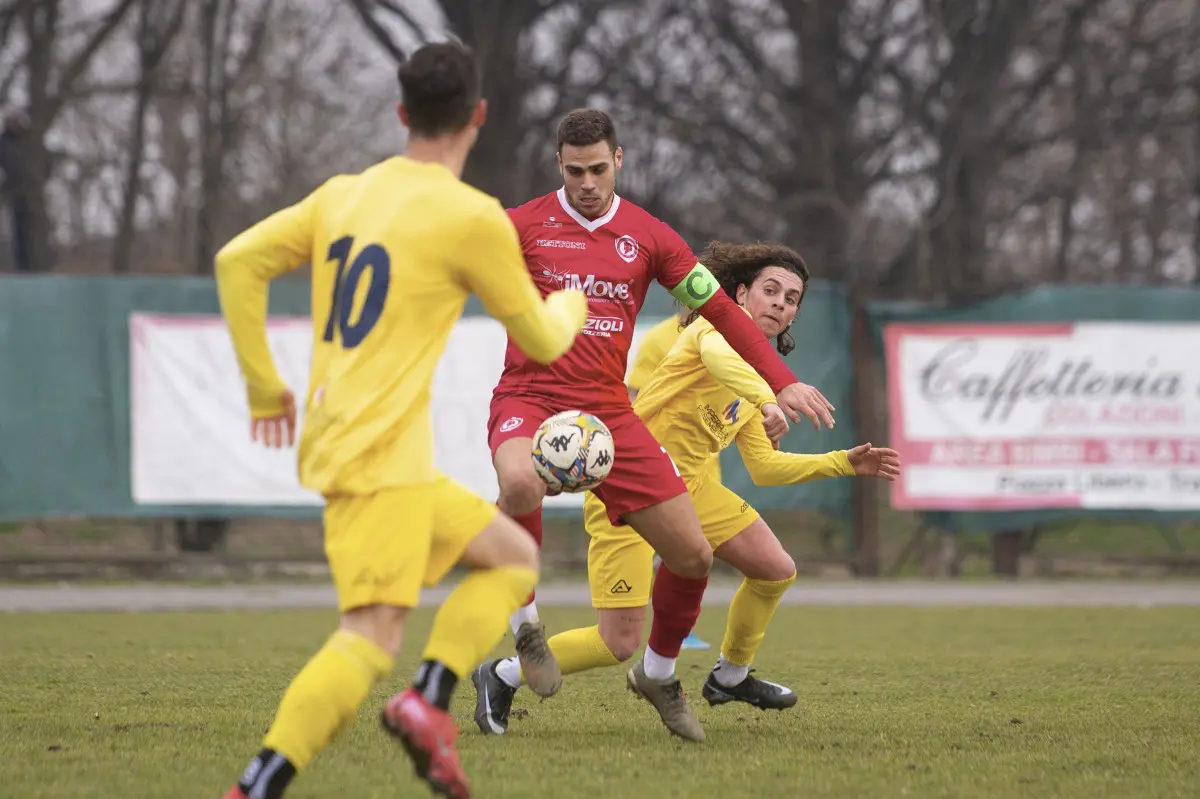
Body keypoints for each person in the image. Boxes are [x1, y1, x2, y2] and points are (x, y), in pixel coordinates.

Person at [216, 42, 587, 799]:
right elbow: (547, 339)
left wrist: (265, 389)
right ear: (478, 117)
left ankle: (428, 698)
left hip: (385, 459)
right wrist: (574, 297)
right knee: (368, 635)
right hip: (374, 461)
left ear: (401, 113)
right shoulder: (471, 217)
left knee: (512, 557)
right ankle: (254, 788)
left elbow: (237, 261)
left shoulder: (343, 195)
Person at [484, 108, 837, 742]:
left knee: (693, 554)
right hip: (530, 394)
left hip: (609, 413)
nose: (587, 182)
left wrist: (781, 382)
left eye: (598, 168)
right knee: (518, 486)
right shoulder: (520, 226)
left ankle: (660, 673)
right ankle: (526, 629)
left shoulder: (649, 236)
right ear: (557, 165)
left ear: (619, 160)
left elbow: (723, 315)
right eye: (574, 170)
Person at [473, 241, 900, 733]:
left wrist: (842, 462)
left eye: (792, 298)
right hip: (628, 489)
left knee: (775, 569)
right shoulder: (710, 330)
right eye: (770, 290)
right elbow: (723, 359)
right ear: (740, 295)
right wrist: (768, 397)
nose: (781, 303)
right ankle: (502, 675)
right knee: (617, 643)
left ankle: (730, 676)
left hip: (691, 488)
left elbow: (764, 467)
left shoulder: (756, 378)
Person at [630, 312, 715, 651]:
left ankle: (680, 630)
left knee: (698, 550)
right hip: (660, 465)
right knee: (665, 547)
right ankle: (662, 630)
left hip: (703, 466)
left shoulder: (727, 337)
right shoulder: (658, 338)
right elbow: (634, 396)